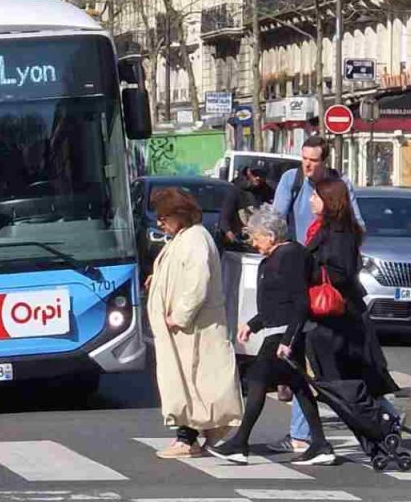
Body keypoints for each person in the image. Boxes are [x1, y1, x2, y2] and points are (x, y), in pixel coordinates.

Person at [207, 205, 336, 466]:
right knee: (299, 387)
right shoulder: (276, 257)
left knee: (256, 379)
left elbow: (298, 301)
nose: (254, 243)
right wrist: (253, 324)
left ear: (271, 235)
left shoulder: (289, 256)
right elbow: (274, 302)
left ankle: (240, 443)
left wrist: (288, 340)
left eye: (256, 237)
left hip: (284, 334)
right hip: (279, 330)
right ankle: (321, 445)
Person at [269, 134, 366, 453]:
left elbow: (357, 225)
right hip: (301, 274)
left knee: (311, 356)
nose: (307, 165)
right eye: (304, 158)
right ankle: (303, 433)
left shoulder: (338, 187)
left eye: (314, 160)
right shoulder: (291, 180)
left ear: (326, 161)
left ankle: (302, 435)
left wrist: (331, 252)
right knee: (311, 356)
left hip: (322, 282)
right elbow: (276, 221)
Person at [145, 188, 242, 459]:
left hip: (192, 330)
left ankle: (186, 439)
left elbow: (197, 283)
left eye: (164, 217)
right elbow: (182, 273)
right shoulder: (185, 238)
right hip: (186, 330)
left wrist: (179, 316)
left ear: (180, 215)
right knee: (190, 383)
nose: (159, 222)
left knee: (190, 383)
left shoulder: (195, 239)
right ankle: (196, 435)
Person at [304, 179, 399, 399]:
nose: (311, 200)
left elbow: (342, 272)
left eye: (316, 196)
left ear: (329, 201)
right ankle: (309, 432)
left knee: (348, 383)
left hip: (339, 315)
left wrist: (311, 272)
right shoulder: (323, 228)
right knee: (332, 379)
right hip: (330, 316)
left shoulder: (339, 233)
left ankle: (382, 425)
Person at [220, 167, 275, 245]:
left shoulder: (269, 193)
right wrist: (229, 233)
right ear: (249, 172)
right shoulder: (236, 191)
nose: (258, 177)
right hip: (240, 241)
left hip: (262, 242)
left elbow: (276, 217)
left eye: (261, 175)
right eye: (255, 174)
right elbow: (224, 217)